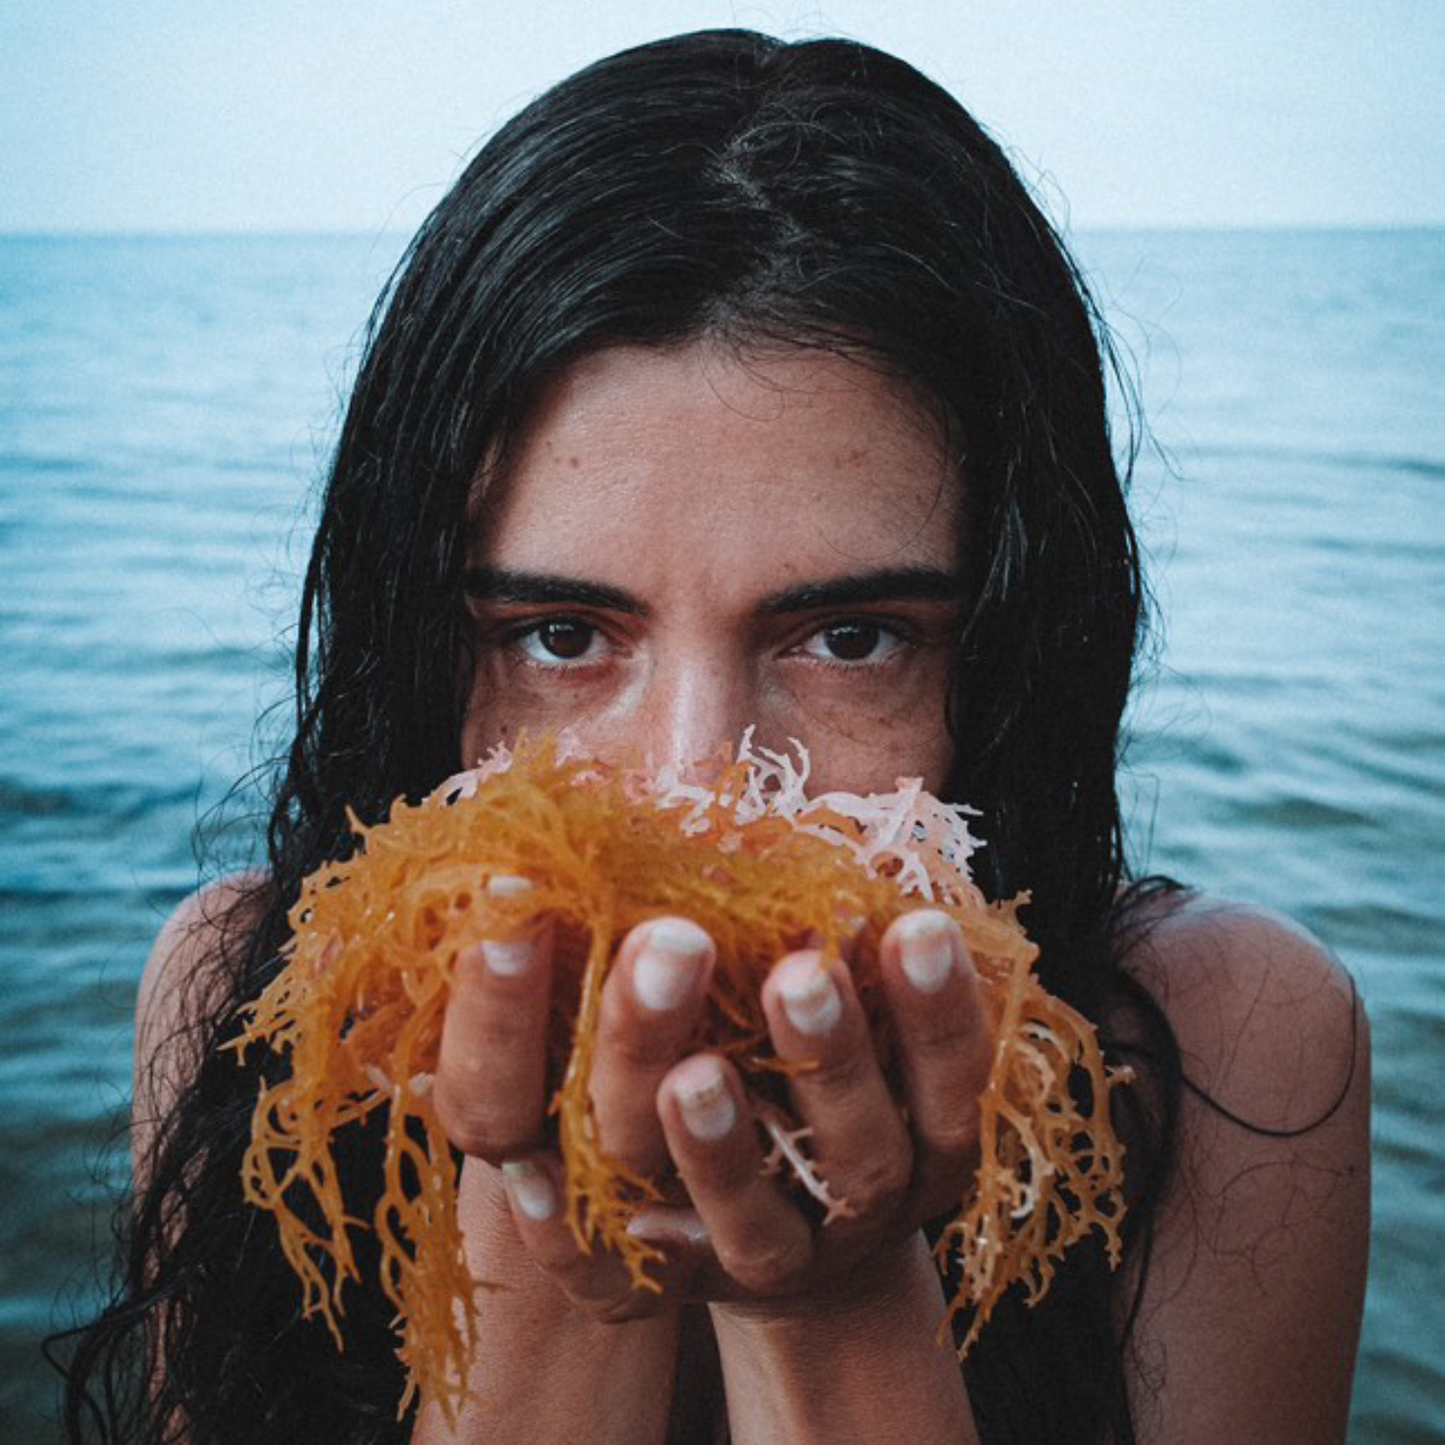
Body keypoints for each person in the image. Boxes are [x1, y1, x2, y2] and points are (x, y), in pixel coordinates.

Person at [60, 29, 1369, 1445]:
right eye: (561, 636)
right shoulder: (240, 993)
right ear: (426, 649)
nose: (695, 790)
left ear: (1003, 659)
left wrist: (833, 1303)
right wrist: (552, 1228)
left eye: (851, 637)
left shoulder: (1233, 1043)